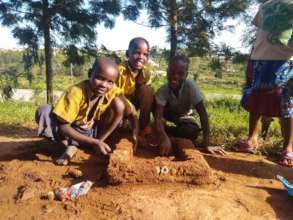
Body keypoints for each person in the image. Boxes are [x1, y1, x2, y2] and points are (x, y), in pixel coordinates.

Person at [35, 57, 138, 165]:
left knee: (119, 104)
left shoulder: (111, 90)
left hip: (92, 132)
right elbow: (64, 126)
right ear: (90, 74)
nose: (104, 85)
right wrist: (95, 142)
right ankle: (67, 147)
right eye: (99, 78)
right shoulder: (75, 92)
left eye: (110, 82)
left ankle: (94, 144)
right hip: (69, 133)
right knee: (44, 110)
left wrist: (135, 132)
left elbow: (132, 111)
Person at [236, 0, 293, 166]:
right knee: (256, 100)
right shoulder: (265, 5)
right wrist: (250, 58)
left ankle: (288, 147)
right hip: (260, 59)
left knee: (286, 103)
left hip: (285, 60)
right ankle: (252, 139)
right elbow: (258, 35)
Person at [154, 55, 226, 156]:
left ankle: (169, 133)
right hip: (169, 114)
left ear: (186, 75)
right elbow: (158, 117)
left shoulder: (190, 87)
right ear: (167, 72)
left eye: (180, 73)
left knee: (191, 131)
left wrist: (207, 144)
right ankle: (164, 134)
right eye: (172, 72)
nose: (175, 76)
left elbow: (202, 113)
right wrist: (163, 137)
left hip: (184, 117)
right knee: (155, 106)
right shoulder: (163, 91)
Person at [116, 37, 154, 144]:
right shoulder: (120, 71)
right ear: (128, 54)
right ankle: (118, 126)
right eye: (137, 53)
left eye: (145, 54)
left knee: (147, 90)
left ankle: (143, 127)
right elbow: (115, 95)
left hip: (134, 103)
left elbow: (145, 96)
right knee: (116, 125)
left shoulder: (146, 72)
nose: (141, 57)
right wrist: (130, 108)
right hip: (119, 105)